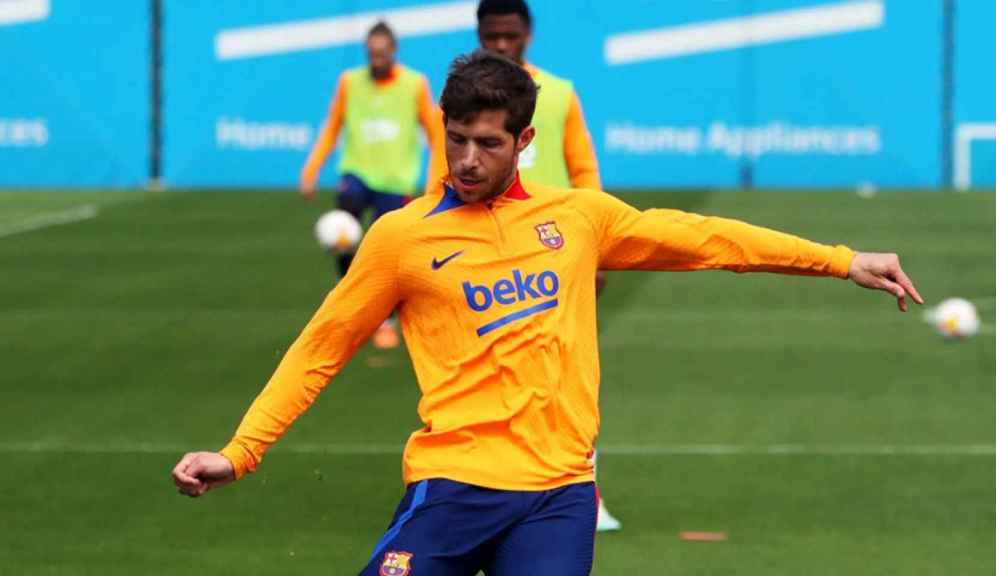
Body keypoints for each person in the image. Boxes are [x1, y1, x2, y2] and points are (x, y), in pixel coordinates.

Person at [172, 51, 923, 576]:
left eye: (488, 144)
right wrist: (241, 452)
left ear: (524, 141)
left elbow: (705, 239)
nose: (467, 159)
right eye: (456, 139)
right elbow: (321, 347)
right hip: (452, 484)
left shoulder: (580, 220)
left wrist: (840, 260)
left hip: (558, 498)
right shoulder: (402, 237)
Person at [476, 0, 620, 529]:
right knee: (490, 376)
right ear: (480, 34)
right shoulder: (465, 99)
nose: (501, 46)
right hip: (484, 257)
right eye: (492, 36)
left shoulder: (556, 93)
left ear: (527, 35)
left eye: (509, 36)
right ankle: (492, 483)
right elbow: (440, 176)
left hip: (556, 253)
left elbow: (584, 169)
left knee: (568, 372)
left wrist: (598, 244)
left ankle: (584, 487)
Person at [299, 20, 446, 349]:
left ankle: (385, 319)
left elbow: (436, 133)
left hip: (396, 181)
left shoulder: (414, 84)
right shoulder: (350, 82)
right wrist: (311, 172)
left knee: (389, 253)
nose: (376, 60)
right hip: (357, 173)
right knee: (343, 233)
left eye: (382, 53)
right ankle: (348, 301)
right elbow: (332, 127)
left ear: (393, 51)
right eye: (371, 54)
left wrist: (437, 180)